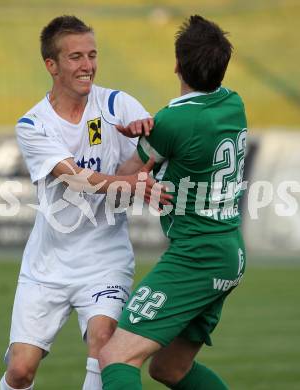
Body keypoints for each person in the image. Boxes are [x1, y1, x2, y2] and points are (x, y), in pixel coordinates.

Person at [0, 15, 169, 390]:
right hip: (47, 265)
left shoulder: (117, 104)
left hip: (105, 260)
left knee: (103, 342)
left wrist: (145, 141)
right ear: (51, 65)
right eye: (75, 57)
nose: (87, 65)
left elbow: (154, 148)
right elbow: (76, 179)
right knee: (21, 371)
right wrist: (132, 185)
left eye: (92, 55)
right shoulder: (32, 125)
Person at [99, 15, 248, 390]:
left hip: (195, 255)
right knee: (170, 369)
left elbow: (123, 178)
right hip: (228, 250)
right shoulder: (234, 103)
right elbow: (185, 135)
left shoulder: (172, 122)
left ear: (177, 65)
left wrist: (138, 137)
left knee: (115, 355)